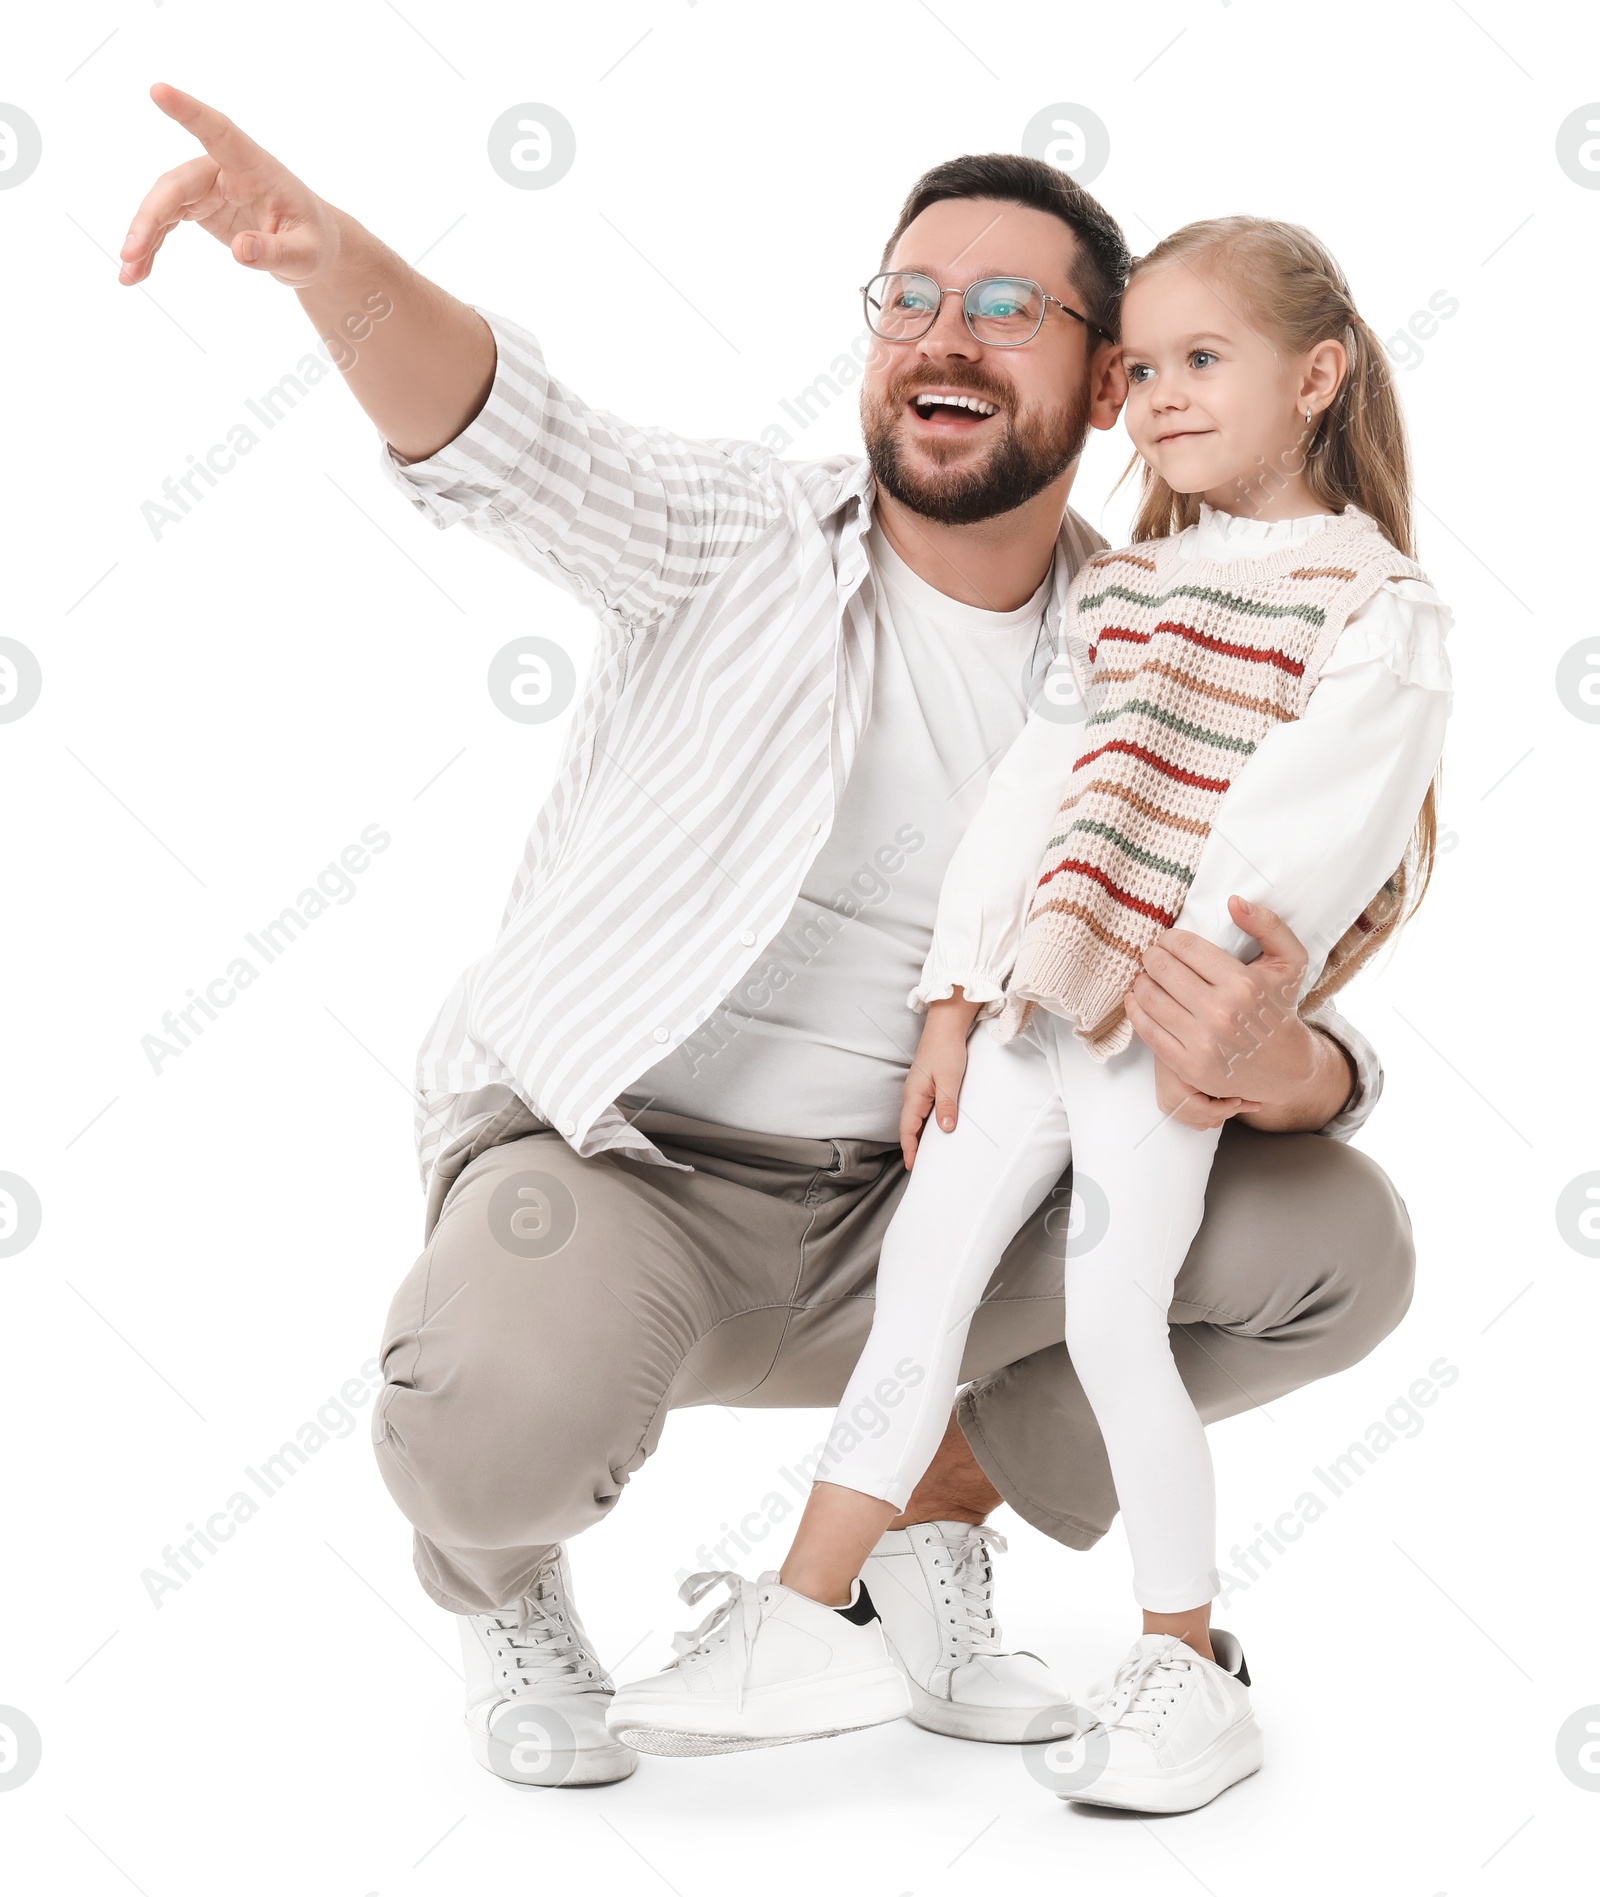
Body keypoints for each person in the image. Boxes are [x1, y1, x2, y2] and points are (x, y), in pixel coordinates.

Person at [120, 86, 1418, 1793]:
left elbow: (1299, 926)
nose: (945, 338)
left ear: (1112, 385)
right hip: (637, 1177)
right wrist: (332, 264)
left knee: (1336, 1236)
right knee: (484, 1430)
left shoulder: (1167, 627)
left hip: (939, 1186)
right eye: (910, 300)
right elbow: (515, 437)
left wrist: (1299, 1064)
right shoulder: (735, 537)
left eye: (1011, 309)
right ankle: (506, 1587)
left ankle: (922, 1530)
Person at [605, 218, 1453, 1810]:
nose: (1165, 397)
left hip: (1167, 1025)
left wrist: (1205, 993)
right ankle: (801, 1618)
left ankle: (1180, 1659)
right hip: (1031, 1007)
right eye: (1142, 370)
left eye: (1208, 360)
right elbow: (1031, 794)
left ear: (1316, 376)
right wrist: (952, 995)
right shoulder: (1128, 587)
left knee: (1119, 1317)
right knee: (918, 1292)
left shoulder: (1370, 608)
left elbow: (1302, 840)